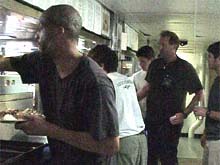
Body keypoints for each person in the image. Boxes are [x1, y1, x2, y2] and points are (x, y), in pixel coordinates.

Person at [0, 5, 119, 164]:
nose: (37, 35)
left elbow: (110, 145)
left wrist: (47, 129)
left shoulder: (95, 82)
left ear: (58, 31)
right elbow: (6, 63)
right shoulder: (44, 62)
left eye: (41, 29)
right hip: (58, 157)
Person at [137, 30, 204, 165]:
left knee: (168, 157)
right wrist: (130, 101)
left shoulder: (185, 68)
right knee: (150, 156)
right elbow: (147, 88)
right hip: (152, 120)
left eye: (163, 45)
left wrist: (184, 114)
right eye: (159, 45)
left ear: (174, 46)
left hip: (171, 121)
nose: (160, 48)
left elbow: (199, 93)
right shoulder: (155, 65)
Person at [88, 45, 147, 165]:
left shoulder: (104, 83)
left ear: (101, 65)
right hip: (140, 139)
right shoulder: (126, 80)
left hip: (123, 141)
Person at [193, 41, 220, 165]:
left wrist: (206, 112)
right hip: (212, 137)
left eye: (209, 56)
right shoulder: (217, 81)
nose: (207, 60)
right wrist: (205, 133)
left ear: (218, 59)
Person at [132, 45, 155, 120]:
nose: (140, 64)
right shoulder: (136, 77)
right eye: (139, 61)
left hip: (155, 117)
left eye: (143, 62)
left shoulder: (160, 76)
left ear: (151, 60)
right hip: (140, 116)